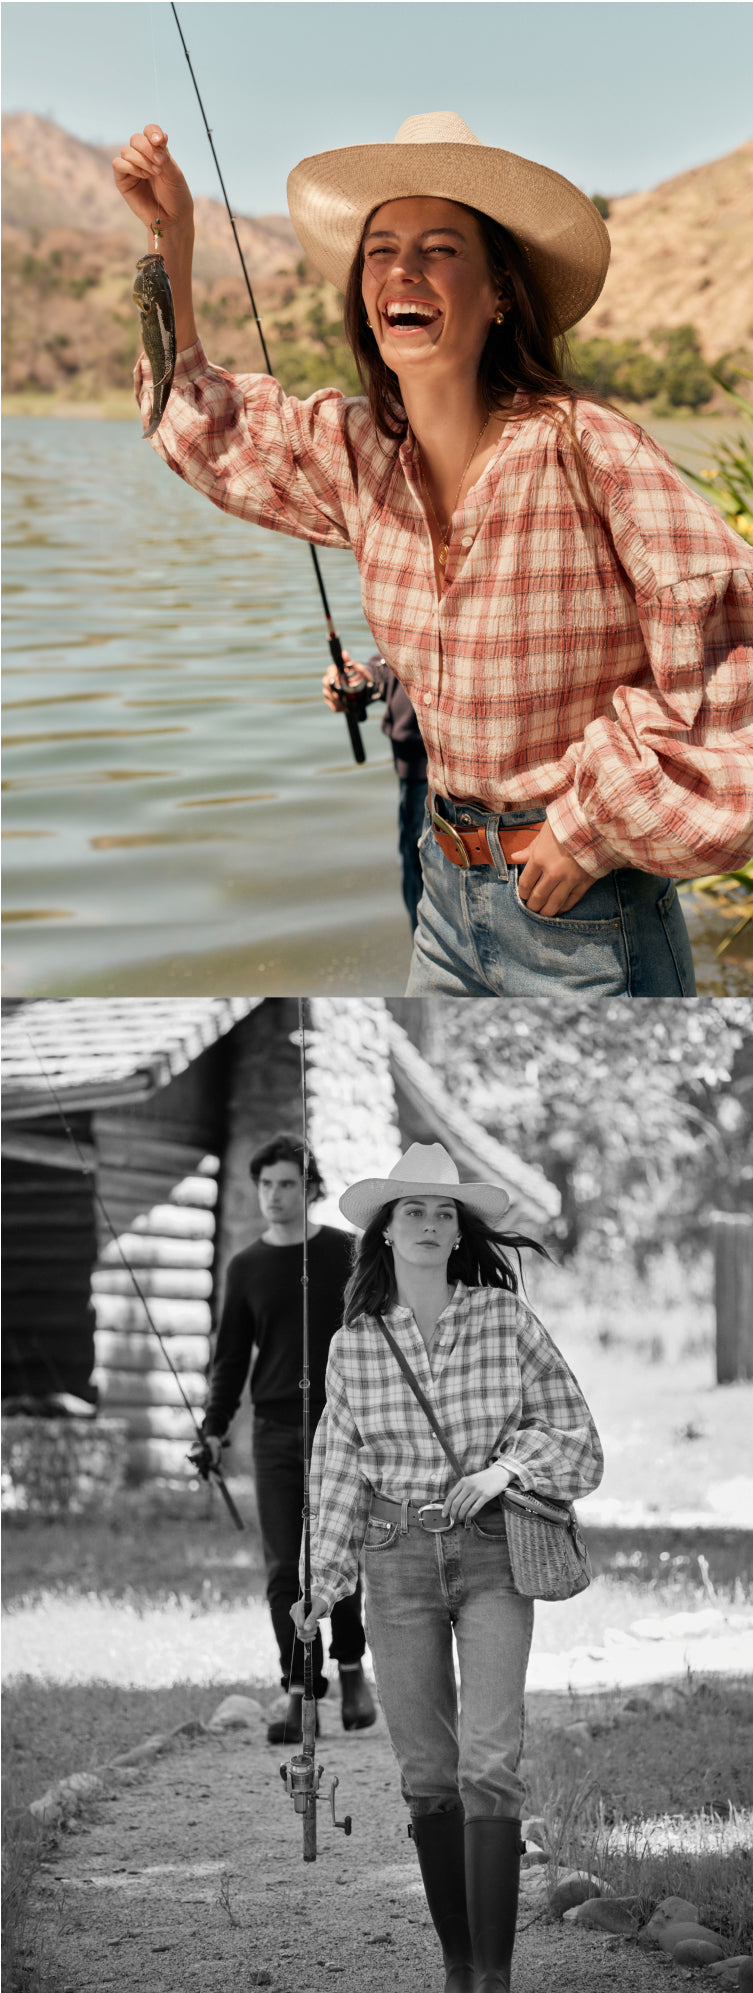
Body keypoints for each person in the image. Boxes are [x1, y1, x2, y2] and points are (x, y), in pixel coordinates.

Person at [113, 115, 753, 998]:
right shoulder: (360, 453)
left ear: (499, 293)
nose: (401, 271)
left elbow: (730, 664)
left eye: (438, 249)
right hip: (444, 908)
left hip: (584, 919)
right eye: (379, 250)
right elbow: (203, 424)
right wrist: (171, 234)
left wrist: (591, 826)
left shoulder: (586, 450)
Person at [291, 1143, 603, 1993]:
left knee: (488, 1762)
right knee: (428, 1774)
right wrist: (320, 1586)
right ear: (385, 1233)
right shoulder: (354, 1347)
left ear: (458, 1231)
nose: (429, 1223)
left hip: (493, 1552)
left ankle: (494, 1976)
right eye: (412, 1211)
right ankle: (458, 1968)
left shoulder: (504, 1320)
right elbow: (335, 1472)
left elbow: (578, 1439)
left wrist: (504, 1470)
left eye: (442, 1211)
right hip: (394, 1564)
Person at [198, 1133, 376, 1744]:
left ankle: (351, 1667)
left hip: (340, 1426)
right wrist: (214, 1429)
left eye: (287, 1185)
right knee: (283, 1568)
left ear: (311, 1189)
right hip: (273, 1432)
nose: (274, 1196)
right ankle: (301, 1690)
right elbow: (229, 1360)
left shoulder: (346, 1253)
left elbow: (377, 1336)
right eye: (266, 1185)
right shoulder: (245, 1267)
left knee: (337, 1554)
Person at [323, 647, 429, 929]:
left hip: (488, 785)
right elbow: (406, 646)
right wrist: (367, 678)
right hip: (415, 775)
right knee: (422, 916)